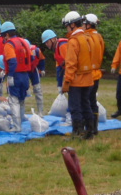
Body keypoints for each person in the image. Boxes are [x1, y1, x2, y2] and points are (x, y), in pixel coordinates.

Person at [62, 11, 95, 139]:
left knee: (75, 107)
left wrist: (67, 81)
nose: (67, 28)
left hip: (76, 80)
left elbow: (71, 64)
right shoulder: (88, 38)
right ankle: (90, 131)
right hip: (88, 78)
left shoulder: (73, 41)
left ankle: (78, 132)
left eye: (67, 25)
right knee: (86, 105)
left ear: (72, 25)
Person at [0, 21, 32, 132]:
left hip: (16, 75)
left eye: (3, 36)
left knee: (14, 101)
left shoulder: (9, 45)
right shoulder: (23, 42)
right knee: (22, 100)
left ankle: (17, 127)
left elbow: (13, 61)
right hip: (25, 75)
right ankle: (21, 124)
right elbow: (31, 58)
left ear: (7, 34)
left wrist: (10, 76)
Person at [84, 14, 105, 134]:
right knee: (92, 100)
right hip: (97, 73)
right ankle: (94, 128)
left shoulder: (87, 37)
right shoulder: (99, 37)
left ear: (89, 24)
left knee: (86, 101)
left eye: (84, 23)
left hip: (88, 74)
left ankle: (89, 127)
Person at [41, 29, 69, 93]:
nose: (46, 44)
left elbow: (70, 63)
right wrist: (59, 85)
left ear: (53, 39)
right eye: (45, 43)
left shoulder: (62, 45)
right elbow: (59, 69)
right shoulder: (56, 49)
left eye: (47, 42)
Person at [26, 38, 46, 116]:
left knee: (38, 90)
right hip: (25, 71)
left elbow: (42, 59)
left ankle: (40, 111)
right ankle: (21, 112)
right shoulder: (19, 51)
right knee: (23, 90)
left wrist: (42, 69)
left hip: (34, 70)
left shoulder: (36, 50)